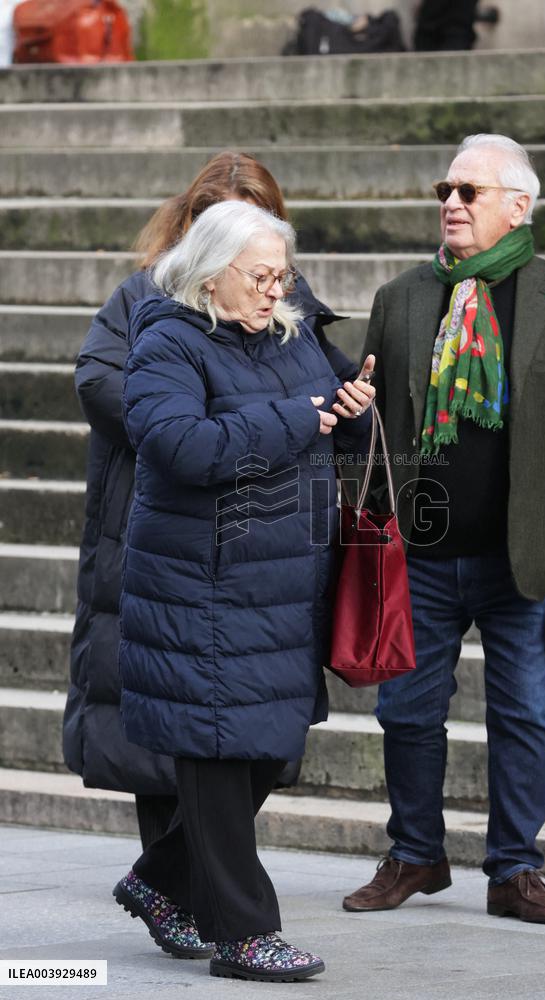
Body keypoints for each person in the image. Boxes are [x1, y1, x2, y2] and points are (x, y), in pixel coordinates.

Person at [342, 134, 545, 924]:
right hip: (421, 554)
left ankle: (514, 871)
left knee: (520, 717)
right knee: (406, 714)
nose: (452, 203)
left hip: (526, 556)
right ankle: (415, 854)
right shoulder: (401, 298)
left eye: (470, 191)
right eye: (446, 190)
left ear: (518, 206)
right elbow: (375, 428)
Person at [63, 151, 355, 855]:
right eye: (214, 217)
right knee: (166, 694)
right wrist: (193, 421)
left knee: (240, 711)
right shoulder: (145, 299)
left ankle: (186, 875)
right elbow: (104, 384)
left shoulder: (279, 301)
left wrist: (341, 406)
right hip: (157, 514)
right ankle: (176, 875)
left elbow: (318, 387)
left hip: (261, 531)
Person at [112, 200, 374, 981]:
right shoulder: (167, 342)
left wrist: (352, 414)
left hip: (287, 588)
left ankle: (159, 880)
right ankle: (244, 934)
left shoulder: (293, 335)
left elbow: (331, 425)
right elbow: (181, 446)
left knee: (268, 751)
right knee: (222, 757)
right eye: (259, 277)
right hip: (203, 589)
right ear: (209, 274)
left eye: (281, 276)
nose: (274, 291)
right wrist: (298, 418)